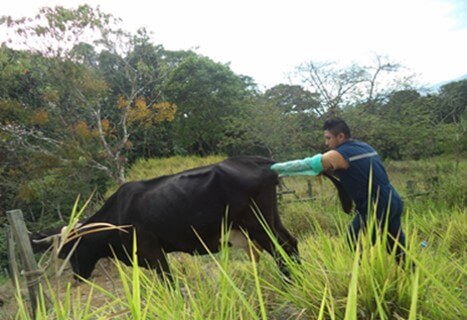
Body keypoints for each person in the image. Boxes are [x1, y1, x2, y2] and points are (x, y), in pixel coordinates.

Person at [271, 118, 406, 263]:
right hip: (393, 200)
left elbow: (307, 165)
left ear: (340, 136)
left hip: (376, 206)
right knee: (396, 246)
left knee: (353, 243)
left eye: (328, 138)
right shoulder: (364, 146)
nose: (326, 143)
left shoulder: (339, 154)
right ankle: (413, 273)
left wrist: (273, 168)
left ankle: (362, 281)